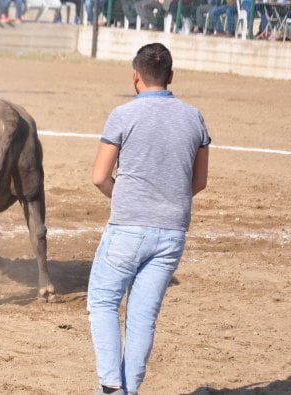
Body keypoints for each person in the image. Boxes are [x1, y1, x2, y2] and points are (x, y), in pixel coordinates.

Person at [87, 42, 210, 395]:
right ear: (171, 77)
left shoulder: (123, 115)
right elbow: (198, 182)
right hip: (172, 231)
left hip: (128, 227)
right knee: (142, 316)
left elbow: (99, 176)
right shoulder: (194, 116)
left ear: (135, 76)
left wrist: (127, 199)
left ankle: (111, 386)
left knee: (103, 302)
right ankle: (129, 389)